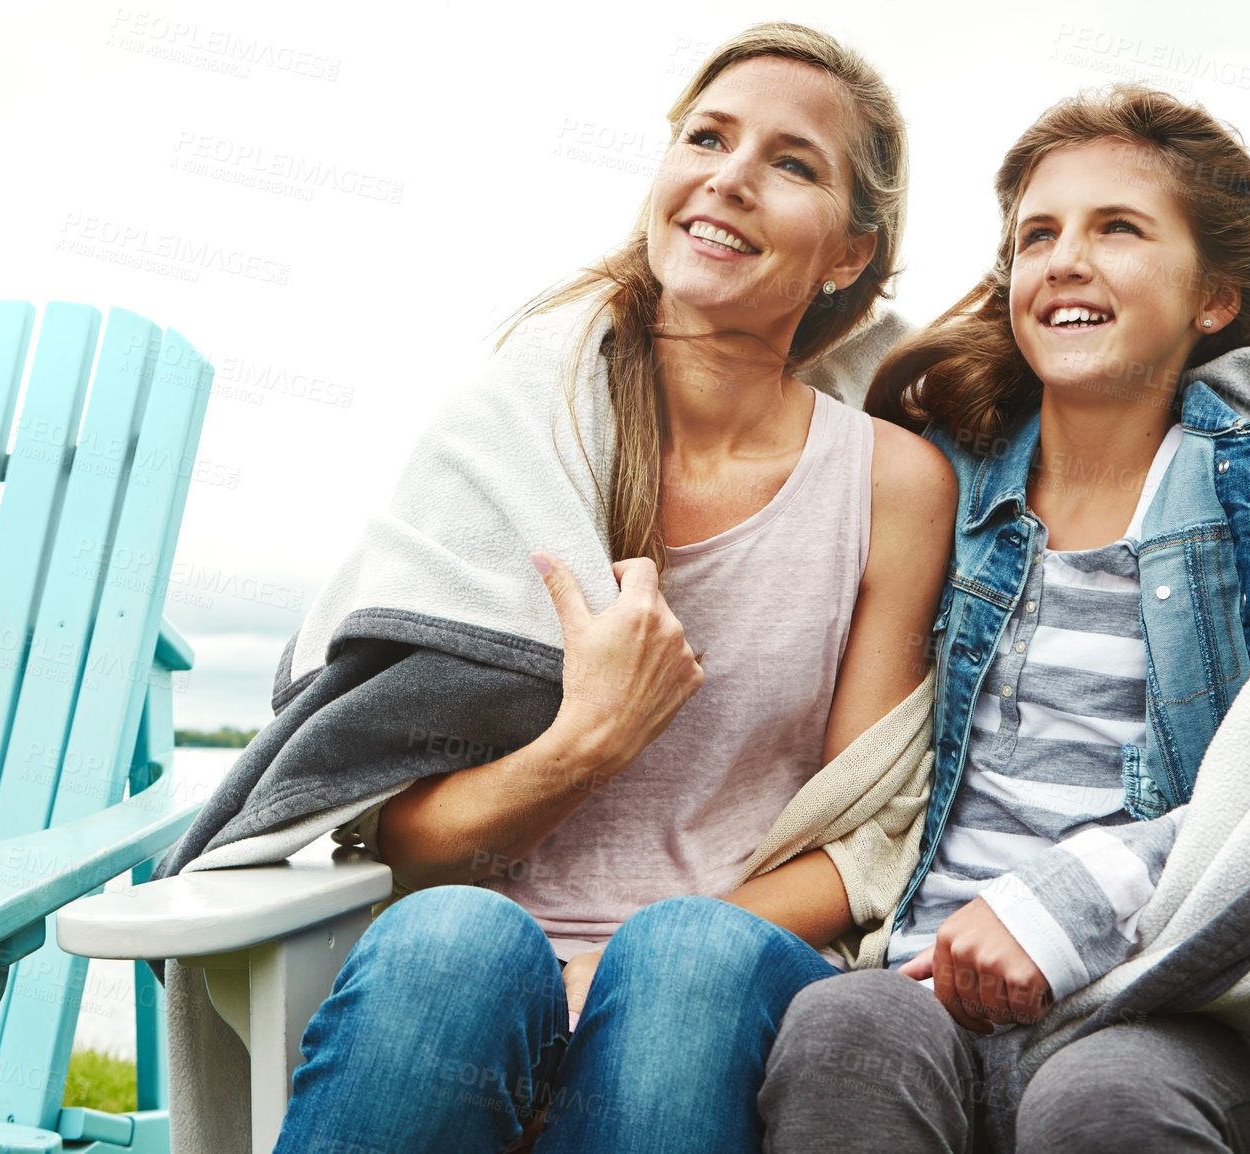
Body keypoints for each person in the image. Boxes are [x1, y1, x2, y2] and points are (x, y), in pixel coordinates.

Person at [266, 22, 956, 1154]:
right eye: (707, 137)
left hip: (737, 957)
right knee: (451, 939)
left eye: (792, 163)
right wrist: (589, 738)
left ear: (848, 254)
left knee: (677, 954)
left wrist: (617, 962)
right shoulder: (521, 436)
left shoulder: (890, 482)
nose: (729, 177)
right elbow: (400, 840)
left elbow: (864, 839)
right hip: (484, 952)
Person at [759, 83, 1250, 1153]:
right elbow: (781, 389)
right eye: (1037, 235)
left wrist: (1066, 904)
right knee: (841, 1026)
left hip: (1166, 998)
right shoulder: (946, 484)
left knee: (1104, 1100)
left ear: (1212, 298)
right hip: (928, 972)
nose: (1064, 257)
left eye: (1116, 227)